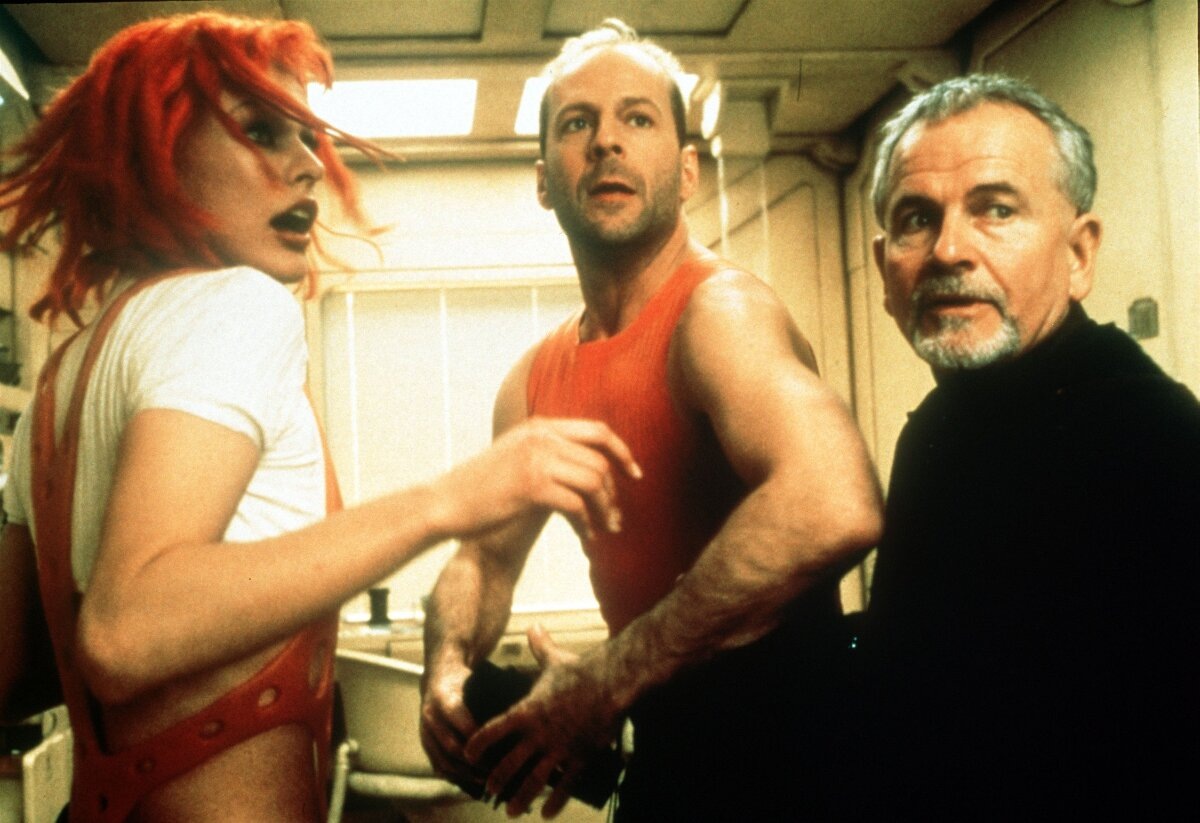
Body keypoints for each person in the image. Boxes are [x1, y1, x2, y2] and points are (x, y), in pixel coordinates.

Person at [0, 12, 640, 823]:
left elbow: (16, 669)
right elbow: (124, 631)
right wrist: (448, 499)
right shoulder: (234, 306)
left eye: (308, 138)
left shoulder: (60, 380)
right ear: (158, 150)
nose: (307, 166)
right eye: (262, 132)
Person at [419, 18, 884, 822]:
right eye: (578, 123)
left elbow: (835, 502)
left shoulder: (719, 313)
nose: (606, 141)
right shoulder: (531, 381)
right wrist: (448, 668)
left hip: (798, 760)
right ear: (544, 181)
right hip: (667, 752)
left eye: (637, 118)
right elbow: (483, 559)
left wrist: (606, 678)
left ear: (688, 170)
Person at [858, 73, 1200, 818]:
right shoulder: (940, 430)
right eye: (917, 218)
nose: (949, 249)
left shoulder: (1151, 443)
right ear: (885, 268)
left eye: (996, 210)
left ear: (1078, 254)